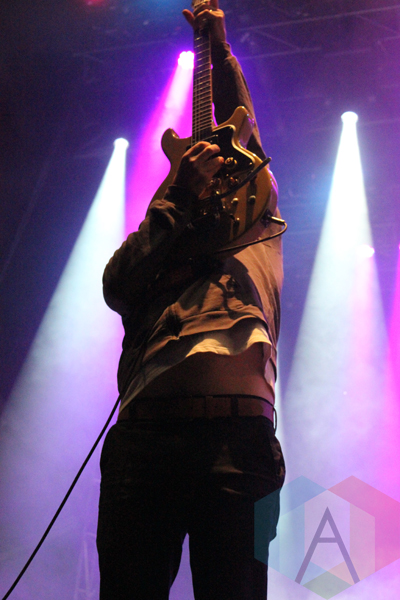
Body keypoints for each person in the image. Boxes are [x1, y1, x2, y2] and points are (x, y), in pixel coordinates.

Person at [96, 2, 285, 599]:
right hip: (144, 443)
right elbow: (115, 286)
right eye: (197, 171)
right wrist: (177, 196)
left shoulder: (259, 228)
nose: (213, 174)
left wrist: (219, 51)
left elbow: (242, 127)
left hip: (238, 443)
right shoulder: (153, 247)